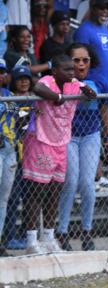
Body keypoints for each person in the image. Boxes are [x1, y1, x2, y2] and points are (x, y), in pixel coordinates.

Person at [22, 54, 96, 254]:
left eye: (73, 69)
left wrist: (88, 91)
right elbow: (36, 87)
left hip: (62, 142)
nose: (72, 73)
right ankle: (31, 241)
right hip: (41, 140)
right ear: (55, 71)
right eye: (67, 69)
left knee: (54, 192)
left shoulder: (75, 84)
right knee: (36, 192)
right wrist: (57, 98)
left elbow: (92, 94)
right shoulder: (48, 81)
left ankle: (48, 237)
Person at [57, 43, 108, 251]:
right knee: (70, 182)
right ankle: (61, 231)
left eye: (85, 60)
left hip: (91, 135)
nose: (81, 64)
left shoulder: (99, 80)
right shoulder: (63, 81)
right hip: (69, 135)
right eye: (76, 60)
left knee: (87, 184)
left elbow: (105, 110)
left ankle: (86, 230)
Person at [3, 65, 34, 252]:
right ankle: (7, 237)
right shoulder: (9, 101)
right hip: (14, 155)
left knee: (30, 197)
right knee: (12, 198)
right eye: (20, 78)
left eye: (27, 78)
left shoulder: (35, 100)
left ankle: (25, 234)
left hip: (31, 156)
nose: (24, 81)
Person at [74, 0, 108, 94]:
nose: (105, 11)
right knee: (92, 109)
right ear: (92, 8)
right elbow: (79, 59)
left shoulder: (106, 30)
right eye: (101, 8)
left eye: (107, 8)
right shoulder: (83, 30)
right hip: (92, 84)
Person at [0, 60, 17, 257]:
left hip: (10, 149)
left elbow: (19, 117)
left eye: (2, 72)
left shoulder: (9, 96)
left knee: (3, 198)